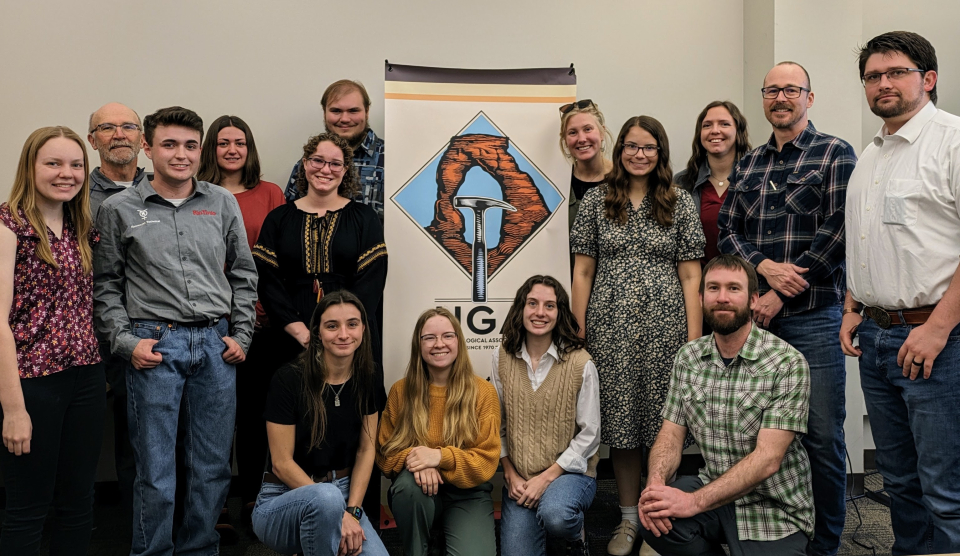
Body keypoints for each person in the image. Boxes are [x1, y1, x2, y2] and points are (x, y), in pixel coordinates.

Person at [93, 106, 258, 556]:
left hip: (215, 345)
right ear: (148, 148)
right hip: (155, 346)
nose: (181, 155)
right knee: (156, 470)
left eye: (189, 145)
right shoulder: (118, 208)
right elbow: (106, 284)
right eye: (169, 144)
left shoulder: (221, 202)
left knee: (211, 467)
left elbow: (244, 273)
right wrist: (126, 343)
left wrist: (241, 335)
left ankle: (199, 549)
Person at [717, 61, 857, 556]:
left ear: (809, 98)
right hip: (759, 321)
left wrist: (781, 290)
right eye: (772, 90)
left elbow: (838, 232)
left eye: (791, 90)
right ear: (763, 99)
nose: (781, 98)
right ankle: (772, 534)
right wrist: (763, 270)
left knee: (820, 436)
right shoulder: (749, 162)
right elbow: (728, 231)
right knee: (760, 435)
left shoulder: (835, 153)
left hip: (815, 318)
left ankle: (825, 546)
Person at [841, 31, 960, 555]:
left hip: (938, 340)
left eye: (896, 73)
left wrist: (937, 328)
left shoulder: (952, 143)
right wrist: (852, 306)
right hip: (877, 338)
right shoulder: (870, 156)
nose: (882, 83)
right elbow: (867, 240)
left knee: (944, 487)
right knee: (899, 484)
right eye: (873, 76)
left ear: (928, 79)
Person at [570, 115, 704, 556]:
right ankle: (629, 520)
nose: (639, 154)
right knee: (623, 428)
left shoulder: (680, 202)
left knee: (664, 427)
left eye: (648, 147)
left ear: (661, 152)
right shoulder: (595, 201)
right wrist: (579, 329)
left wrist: (694, 338)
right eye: (631, 146)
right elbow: (583, 270)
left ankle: (656, 520)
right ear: (620, 149)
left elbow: (690, 276)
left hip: (667, 332)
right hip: (609, 331)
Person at [638, 254, 813, 556]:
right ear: (700, 297)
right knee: (654, 516)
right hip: (712, 488)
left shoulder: (786, 362)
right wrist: (655, 485)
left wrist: (692, 502)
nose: (722, 298)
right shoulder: (688, 357)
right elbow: (670, 436)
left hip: (773, 510)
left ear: (754, 299)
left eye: (734, 288)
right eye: (714, 288)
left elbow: (768, 459)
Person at [0, 126, 105, 555]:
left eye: (76, 165)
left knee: (79, 502)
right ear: (31, 166)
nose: (67, 173)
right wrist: (13, 409)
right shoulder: (9, 223)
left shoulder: (82, 226)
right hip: (32, 383)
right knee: (28, 506)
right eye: (54, 163)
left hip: (86, 377)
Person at [252, 290, 388, 556]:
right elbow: (281, 464)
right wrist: (337, 511)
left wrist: (352, 512)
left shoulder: (369, 377)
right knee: (325, 498)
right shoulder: (288, 380)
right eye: (332, 326)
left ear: (363, 328)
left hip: (344, 493)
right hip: (282, 500)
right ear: (317, 333)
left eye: (352, 324)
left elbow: (366, 449)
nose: (343, 334)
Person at [197, 114, 285, 525]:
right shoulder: (195, 194)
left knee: (253, 417)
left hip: (262, 324)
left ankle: (253, 496)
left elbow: (280, 263)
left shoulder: (269, 194)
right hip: (209, 324)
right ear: (210, 148)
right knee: (210, 420)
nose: (232, 149)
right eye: (223, 142)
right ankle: (212, 508)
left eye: (240, 142)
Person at [253, 132, 387, 367]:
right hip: (290, 334)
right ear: (305, 164)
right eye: (318, 160)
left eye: (335, 163)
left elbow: (372, 280)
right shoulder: (278, 219)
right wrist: (299, 331)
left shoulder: (365, 218)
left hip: (351, 338)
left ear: (345, 170)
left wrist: (341, 330)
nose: (325, 169)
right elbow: (267, 280)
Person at [377, 308, 500, 556]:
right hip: (416, 490)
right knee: (408, 489)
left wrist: (440, 458)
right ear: (418, 345)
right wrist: (421, 461)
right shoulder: (401, 392)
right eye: (429, 337)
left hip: (468, 494)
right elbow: (385, 455)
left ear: (458, 342)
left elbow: (486, 461)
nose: (439, 344)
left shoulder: (483, 392)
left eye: (447, 336)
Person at [492, 275, 600, 556]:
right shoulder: (502, 356)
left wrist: (547, 478)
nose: (540, 312)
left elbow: (590, 435)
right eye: (533, 303)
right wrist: (510, 473)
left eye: (549, 306)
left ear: (560, 313)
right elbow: (497, 424)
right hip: (521, 480)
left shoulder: (581, 363)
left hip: (570, 474)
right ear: (521, 308)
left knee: (557, 515)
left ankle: (576, 536)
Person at [86, 101, 148, 529]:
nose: (119, 134)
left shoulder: (168, 189)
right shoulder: (75, 194)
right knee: (83, 442)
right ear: (93, 141)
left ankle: (144, 531)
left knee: (141, 443)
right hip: (87, 339)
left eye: (129, 126)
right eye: (107, 127)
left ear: (144, 140)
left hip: (147, 338)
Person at [283, 79, 385, 222]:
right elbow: (289, 218)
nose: (344, 119)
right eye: (336, 111)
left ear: (367, 111)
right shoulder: (308, 164)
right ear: (324, 112)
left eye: (353, 110)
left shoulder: (390, 159)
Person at [674, 100, 751, 268]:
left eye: (724, 124)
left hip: (746, 282)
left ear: (738, 131)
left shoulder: (755, 178)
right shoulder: (680, 184)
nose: (715, 131)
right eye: (707, 125)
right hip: (696, 283)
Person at [560, 99, 614, 231]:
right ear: (565, 140)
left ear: (602, 132)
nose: (582, 139)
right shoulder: (559, 184)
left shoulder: (623, 178)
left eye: (588, 129)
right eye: (573, 132)